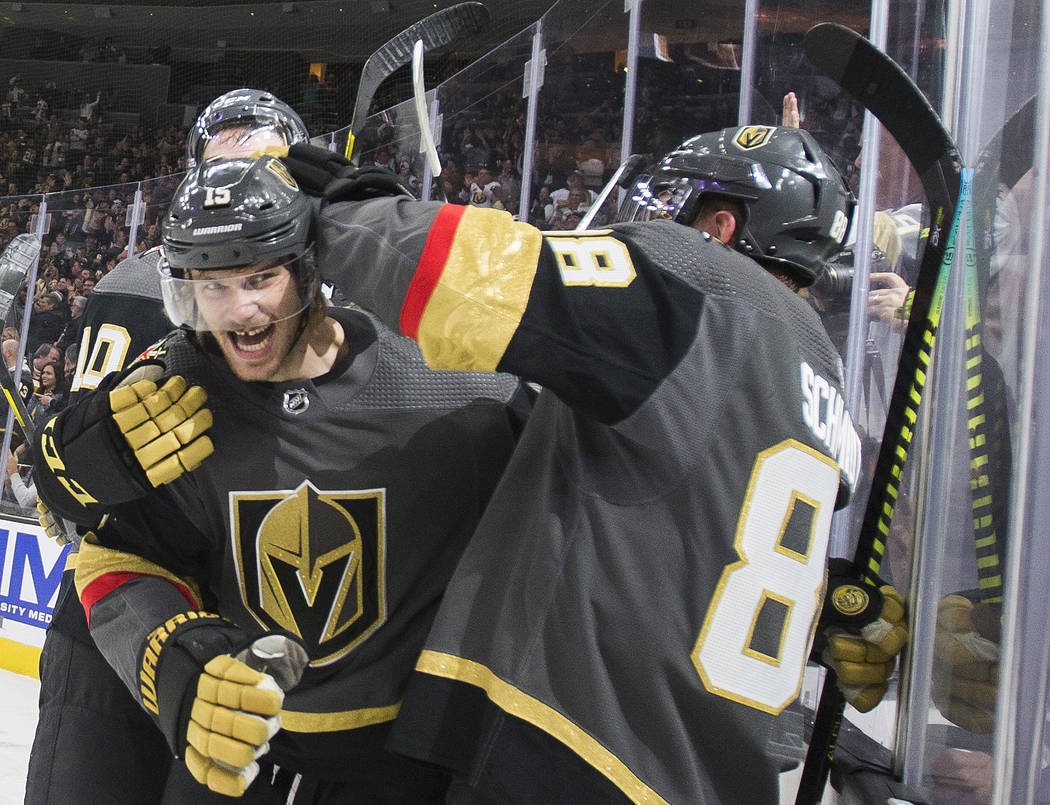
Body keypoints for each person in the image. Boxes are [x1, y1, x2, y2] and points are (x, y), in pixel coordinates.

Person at [280, 124, 906, 803]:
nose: (660, 218)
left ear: (722, 225)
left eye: (678, 203)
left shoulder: (701, 284)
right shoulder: (821, 375)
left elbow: (473, 284)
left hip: (578, 740)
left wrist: (343, 210)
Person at [39, 155, 529, 802]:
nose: (240, 311)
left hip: (403, 763)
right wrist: (177, 660)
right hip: (244, 759)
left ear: (310, 269)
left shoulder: (452, 384)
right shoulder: (174, 394)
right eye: (213, 285)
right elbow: (118, 555)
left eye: (261, 277)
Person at [25, 89, 315, 805]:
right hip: (114, 614)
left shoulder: (322, 297)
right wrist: (70, 477)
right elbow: (76, 461)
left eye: (264, 169)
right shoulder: (135, 284)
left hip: (247, 634)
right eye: (224, 169)